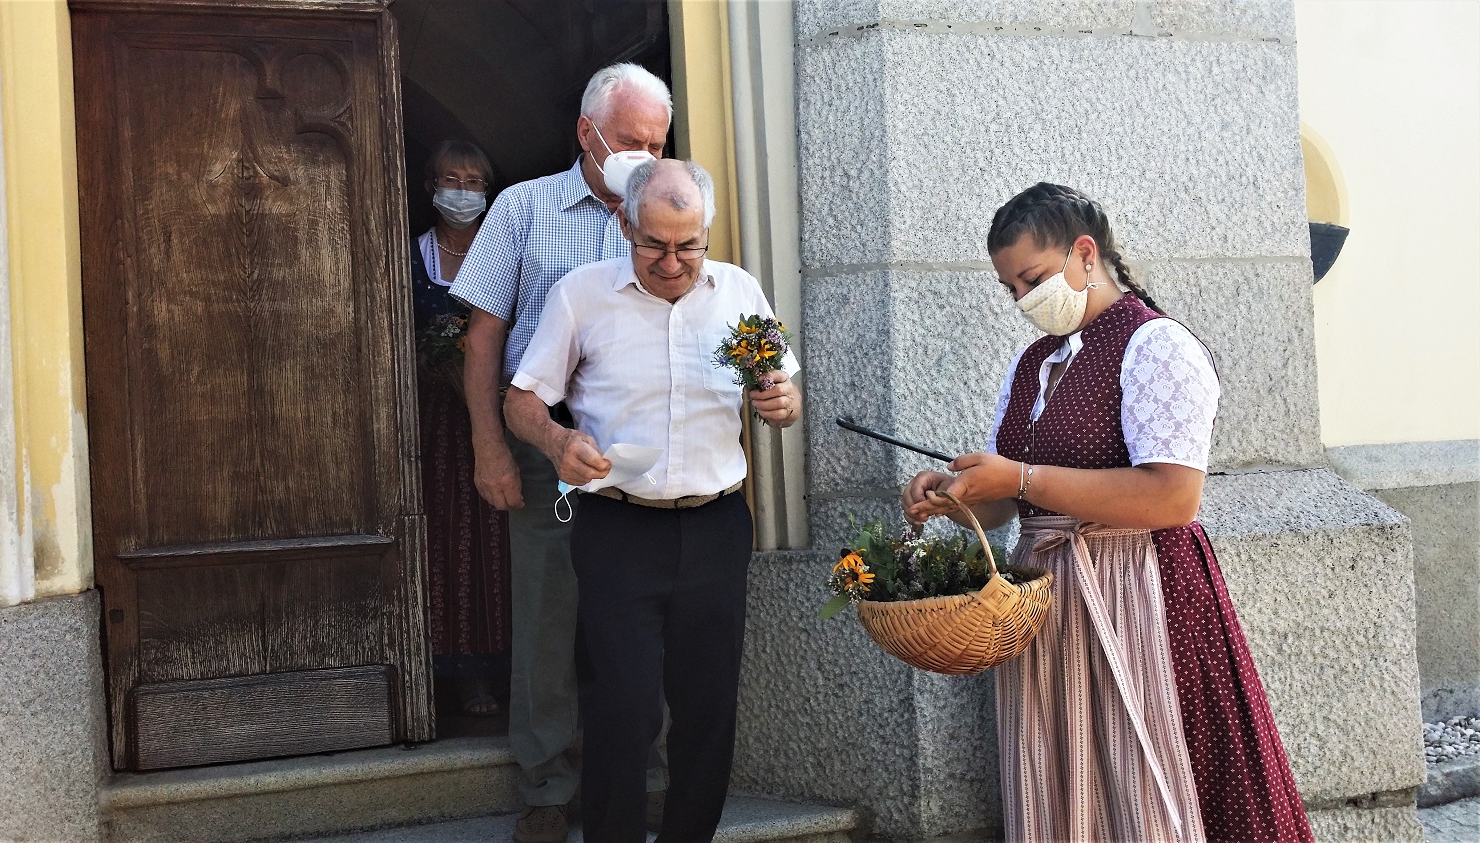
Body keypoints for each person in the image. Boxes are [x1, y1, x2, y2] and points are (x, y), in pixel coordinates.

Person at [903, 183, 1314, 843]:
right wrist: (958, 496)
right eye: (1010, 289)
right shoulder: (1035, 362)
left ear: (1084, 254)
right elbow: (1017, 498)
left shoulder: (1157, 347)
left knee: (1151, 784)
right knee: (1064, 796)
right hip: (1049, 608)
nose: (1022, 301)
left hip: (1139, 595)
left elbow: (1173, 497)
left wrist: (1024, 474)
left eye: (1031, 279)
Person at [506, 158, 801, 842]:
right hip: (618, 526)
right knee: (627, 703)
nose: (673, 262)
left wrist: (782, 402)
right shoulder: (582, 295)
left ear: (707, 232)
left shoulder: (738, 294)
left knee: (708, 704)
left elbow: (779, 394)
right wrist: (555, 441)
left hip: (717, 524)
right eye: (654, 244)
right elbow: (521, 400)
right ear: (623, 222)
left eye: (689, 245)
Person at [447, 63, 672, 843]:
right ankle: (545, 784)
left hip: (645, 444)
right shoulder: (523, 208)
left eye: (657, 140)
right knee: (549, 611)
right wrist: (490, 447)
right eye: (631, 139)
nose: (645, 154)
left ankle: (633, 777)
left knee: (637, 617)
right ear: (588, 132)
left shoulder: (672, 209)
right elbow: (483, 336)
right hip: (545, 436)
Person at [411, 140, 511, 719]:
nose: (464, 191)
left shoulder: (505, 248)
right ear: (431, 186)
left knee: (499, 540)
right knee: (446, 538)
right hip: (437, 427)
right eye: (453, 179)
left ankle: (503, 669)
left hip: (502, 414)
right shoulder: (411, 255)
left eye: (475, 182)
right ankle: (451, 670)